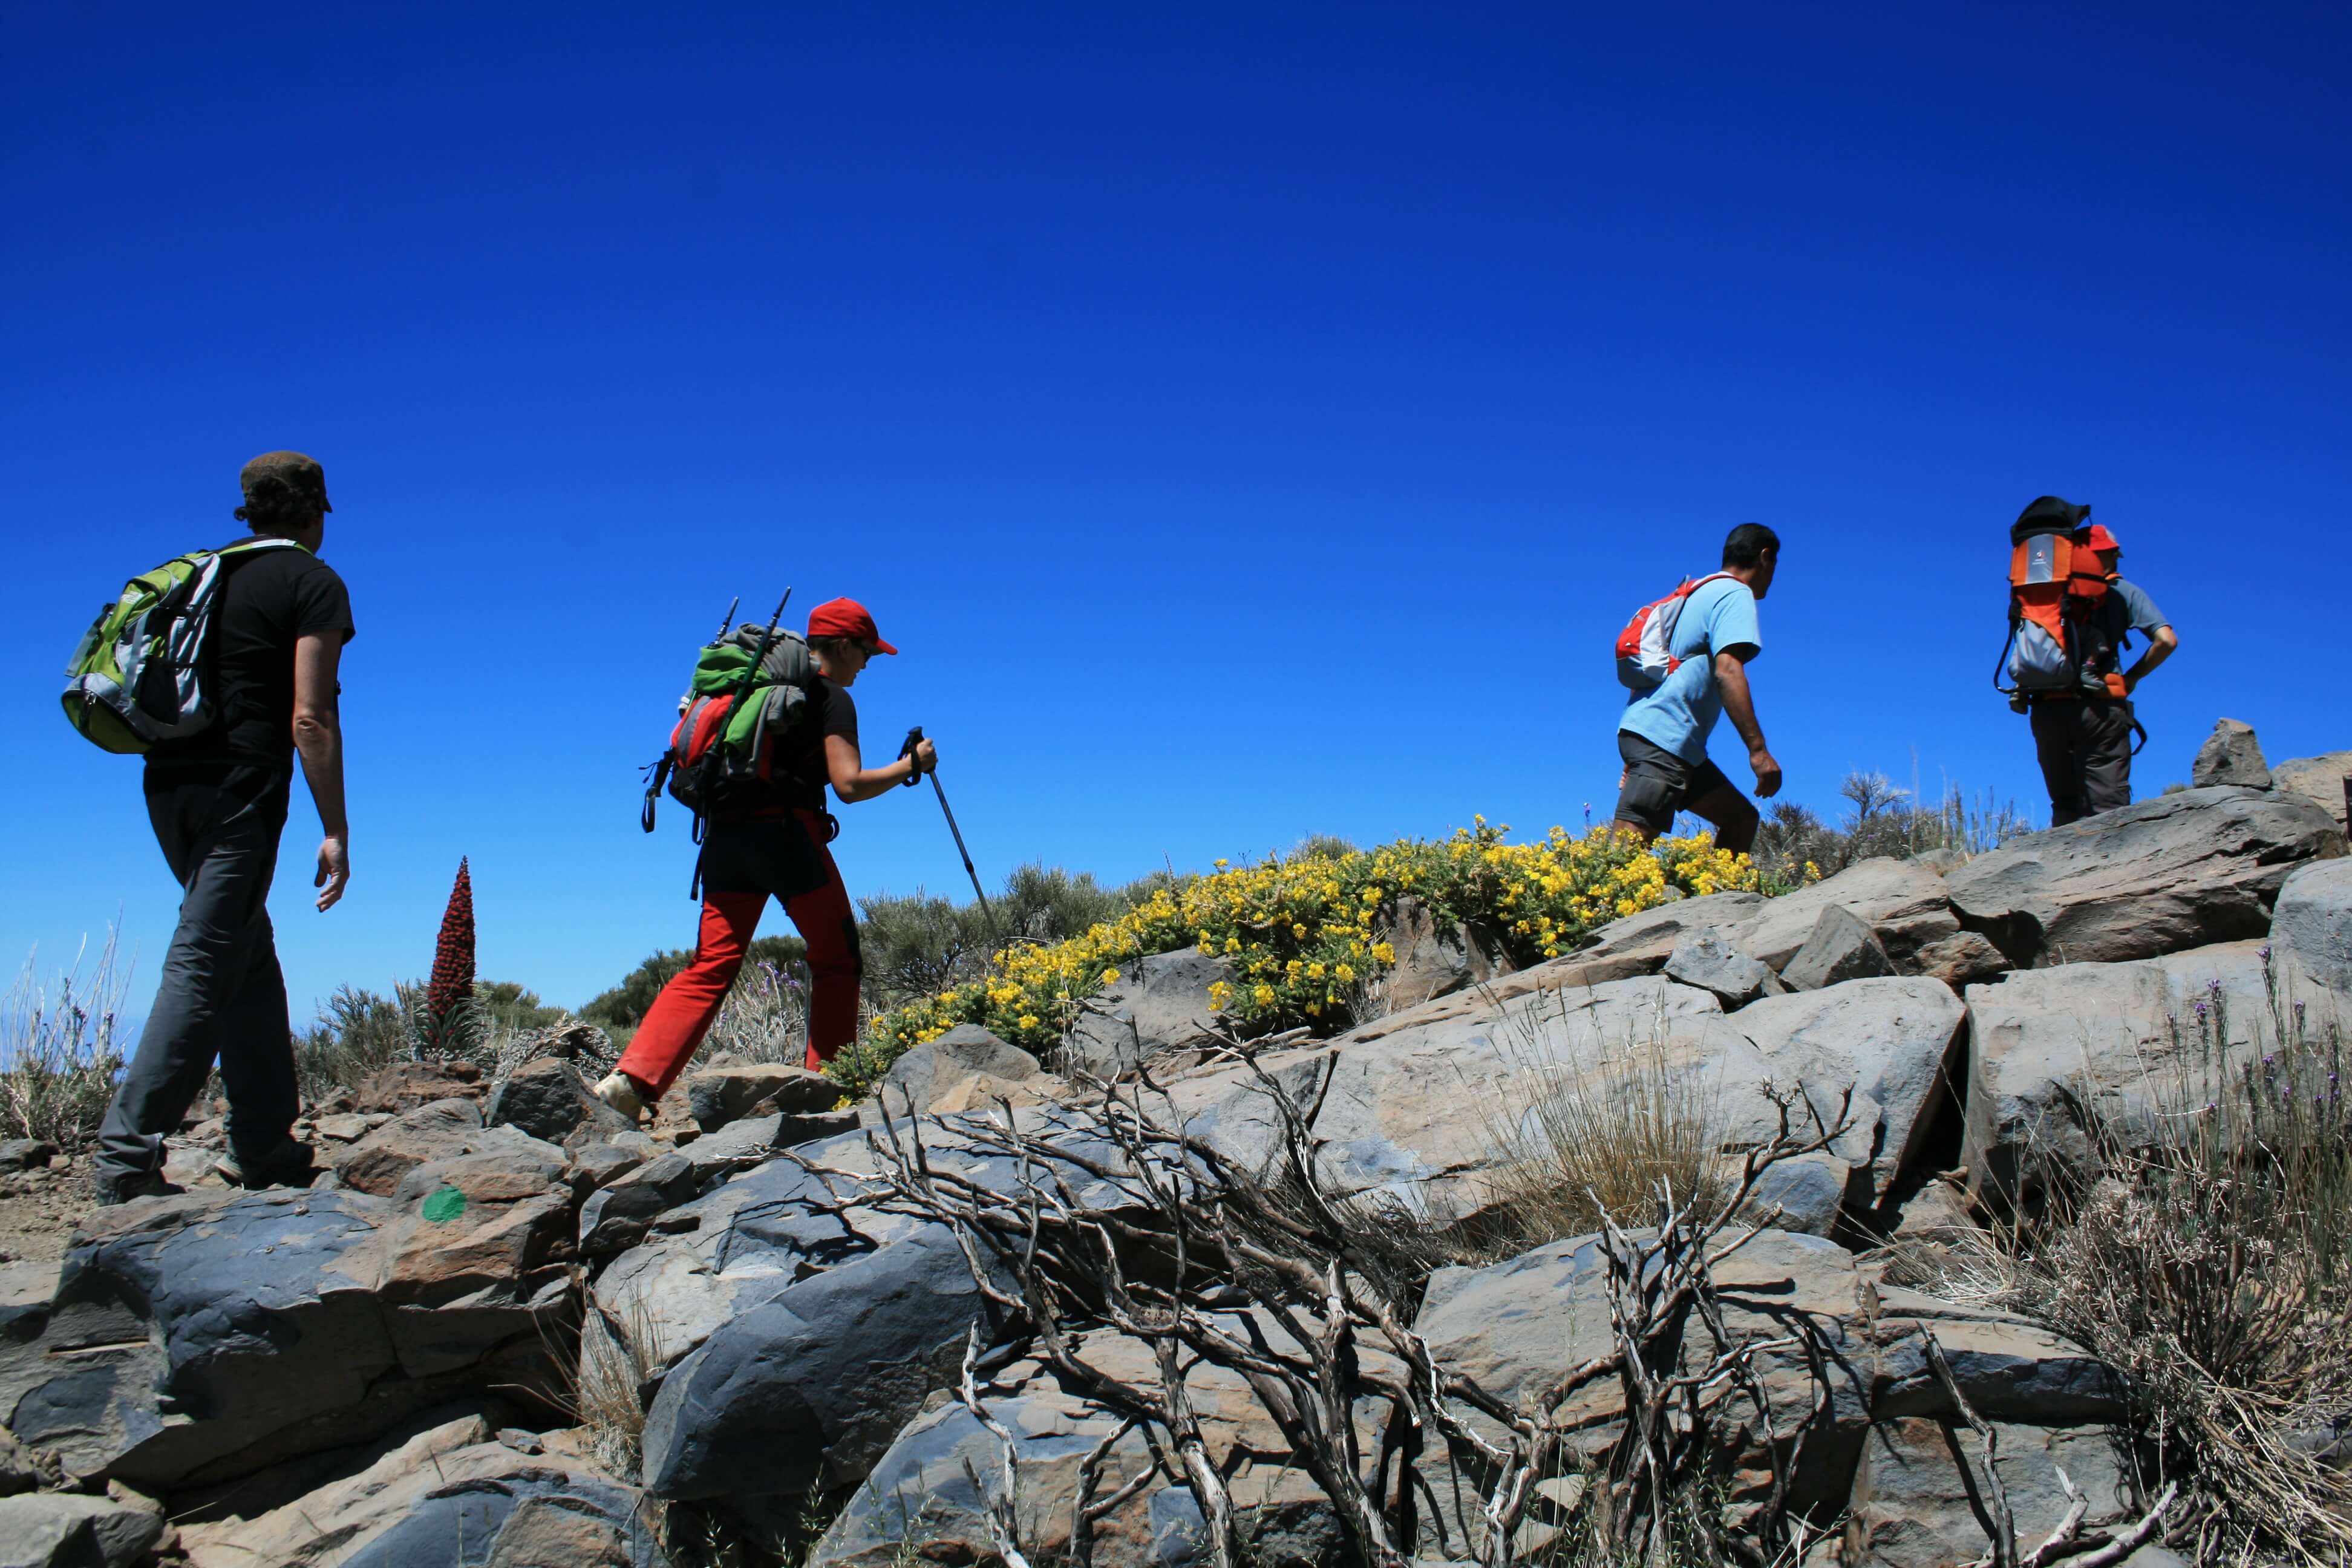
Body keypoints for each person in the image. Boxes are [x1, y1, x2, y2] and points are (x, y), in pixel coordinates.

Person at [94, 452, 354, 1204]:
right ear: (315, 512)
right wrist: (334, 828)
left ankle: (264, 1141)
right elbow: (311, 716)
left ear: (251, 511)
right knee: (207, 957)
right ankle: (125, 1161)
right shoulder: (312, 582)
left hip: (167, 783)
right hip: (242, 786)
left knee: (246, 949)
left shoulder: (204, 573)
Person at [594, 597, 936, 1121]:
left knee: (711, 965)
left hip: (725, 839)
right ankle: (831, 1087)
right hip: (789, 840)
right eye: (867, 653)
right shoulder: (829, 698)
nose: (868, 664)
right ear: (842, 646)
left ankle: (633, 1081)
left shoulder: (744, 689)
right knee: (838, 958)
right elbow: (848, 786)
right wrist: (910, 764)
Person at [1610, 523, 1782, 854]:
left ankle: (1724, 902)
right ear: (1764, 557)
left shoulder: (1698, 592)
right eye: (1774, 564)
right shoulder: (1735, 593)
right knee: (1623, 859)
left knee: (1741, 820)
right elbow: (1728, 670)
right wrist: (1758, 751)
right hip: (1664, 741)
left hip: (1669, 743)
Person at [2026, 517, 2177, 825]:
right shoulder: (2124, 591)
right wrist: (2132, 678)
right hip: (2101, 707)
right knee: (2108, 809)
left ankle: (2064, 869)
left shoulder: (2045, 592)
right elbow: (2167, 641)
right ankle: (2110, 870)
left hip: (2047, 708)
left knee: (2065, 805)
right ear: (2109, 554)